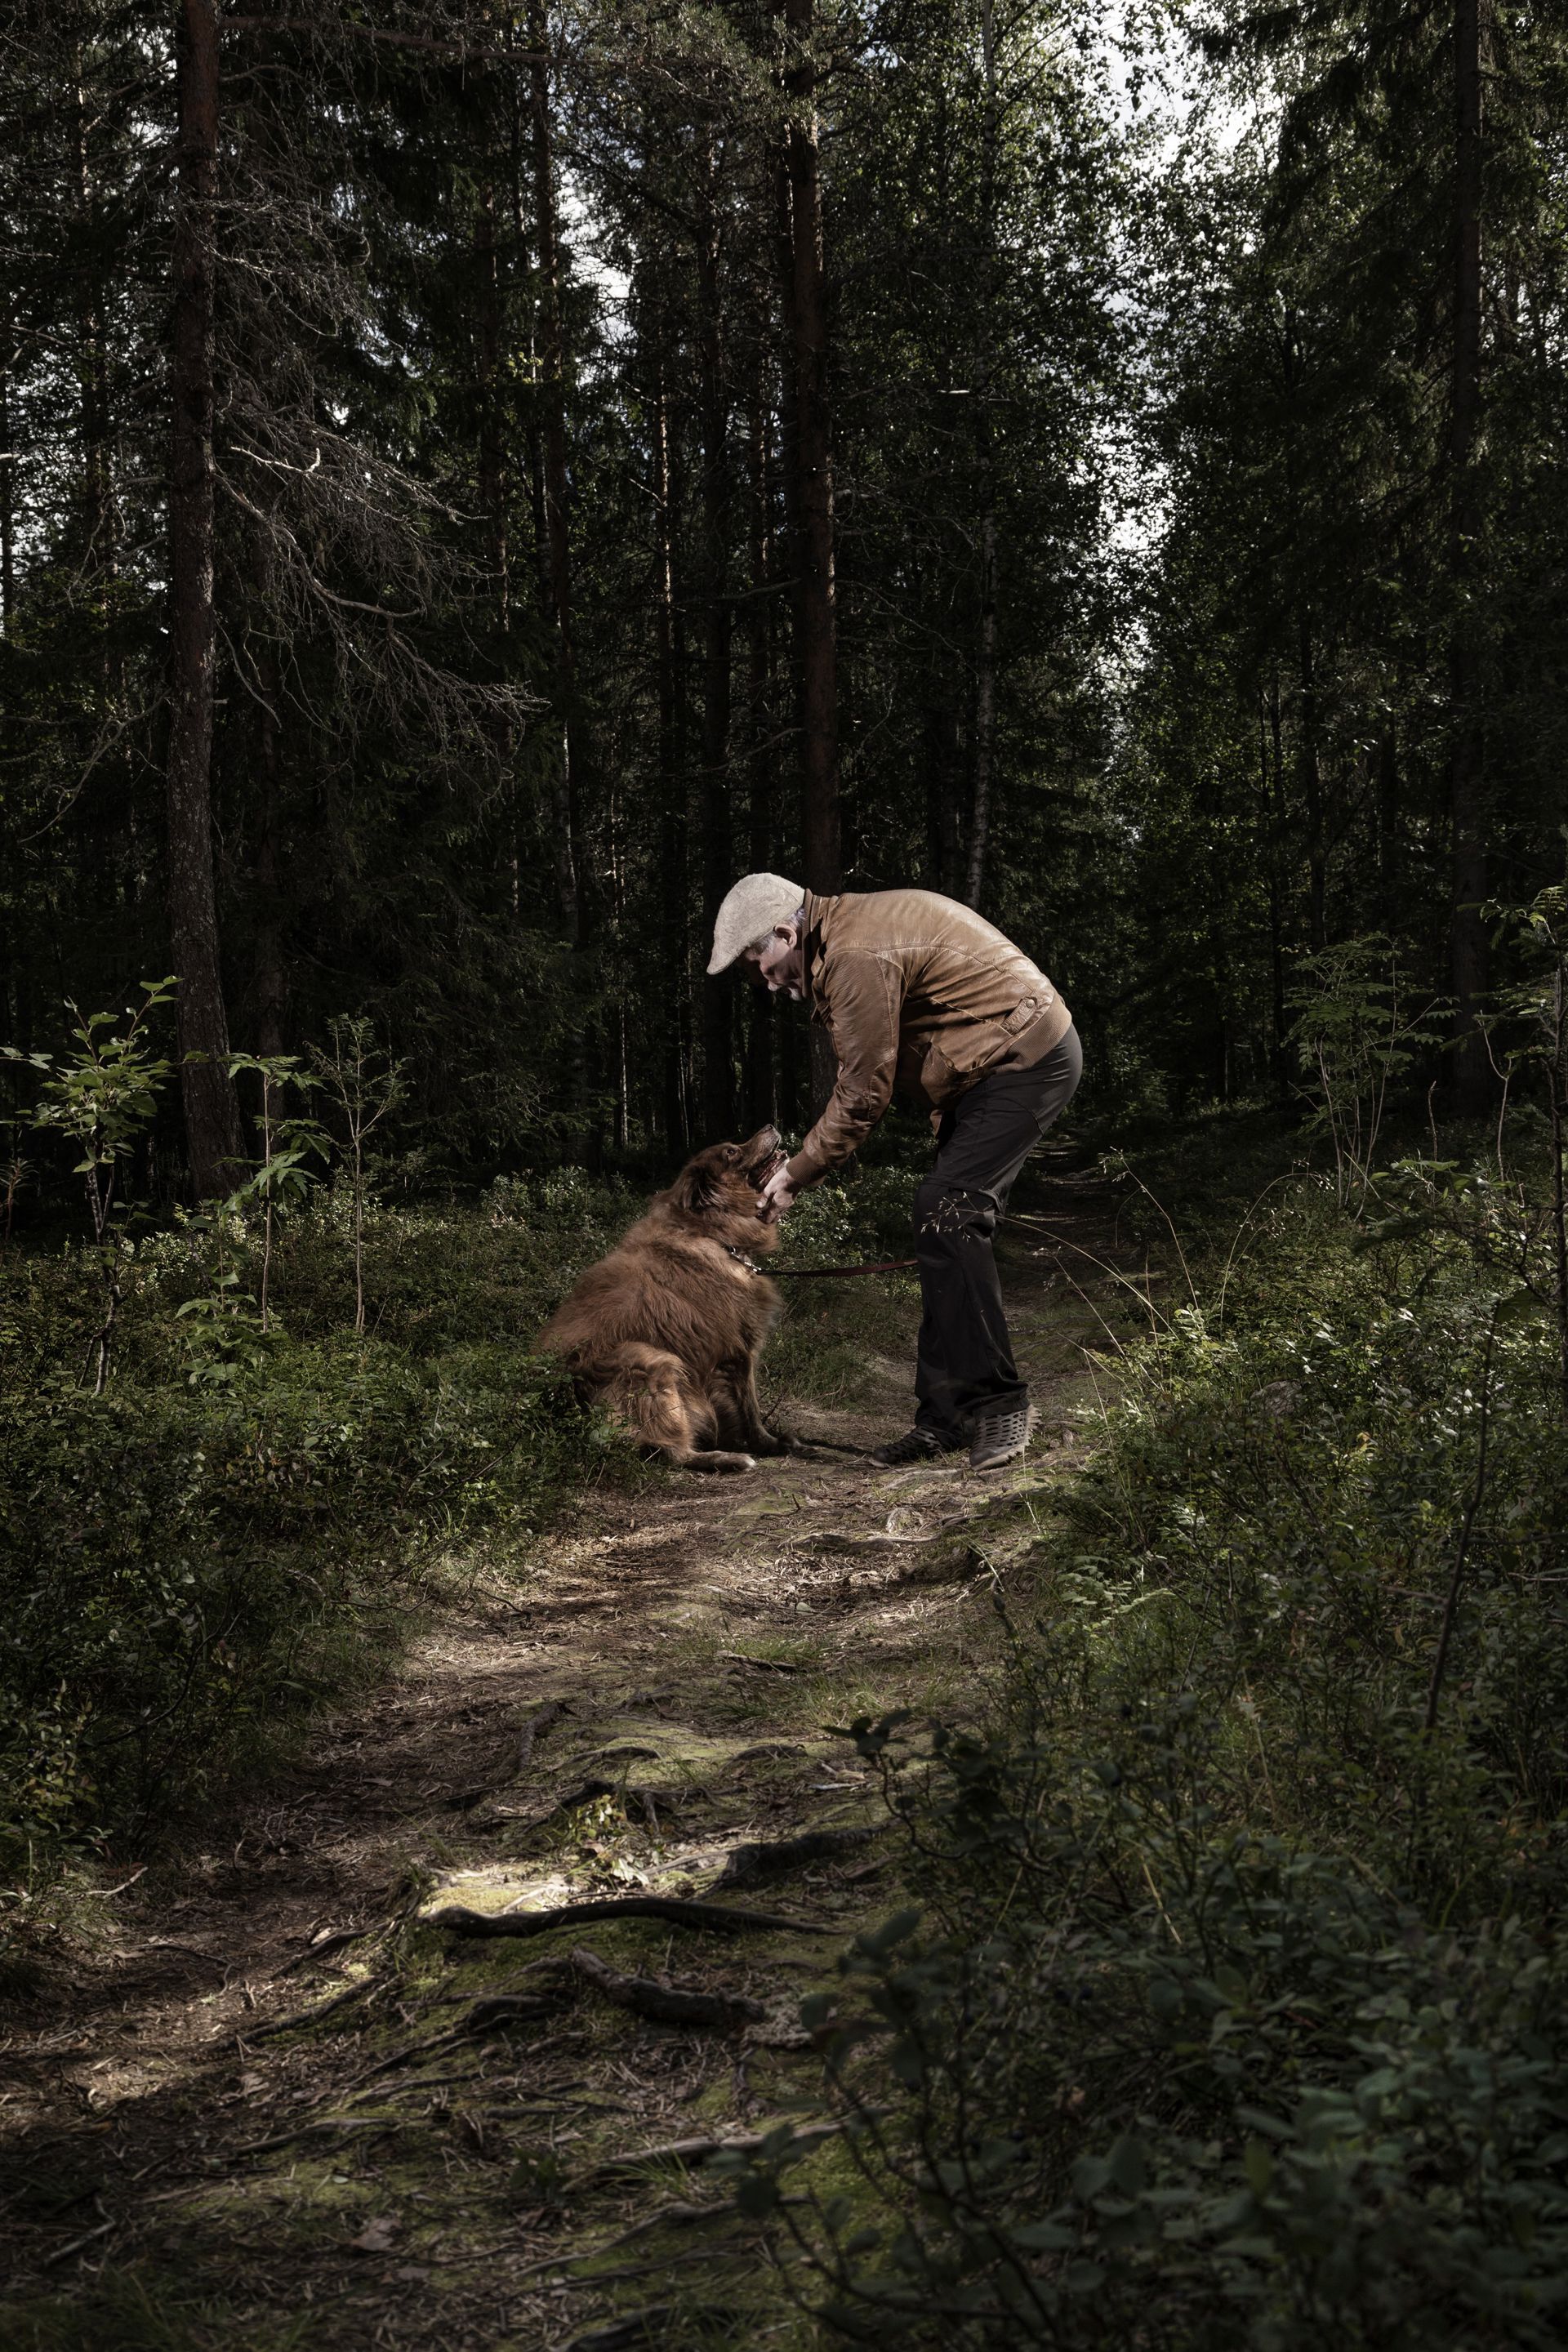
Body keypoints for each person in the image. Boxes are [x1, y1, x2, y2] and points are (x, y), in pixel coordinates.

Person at [707, 872, 1081, 1472]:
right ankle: (943, 1419)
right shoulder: (840, 939)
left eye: (760, 961)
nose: (766, 982)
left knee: (945, 1213)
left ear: (785, 932)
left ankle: (1000, 1403)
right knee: (942, 1226)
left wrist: (797, 1173)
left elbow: (862, 1093)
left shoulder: (854, 953)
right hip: (988, 1073)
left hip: (1026, 1059)